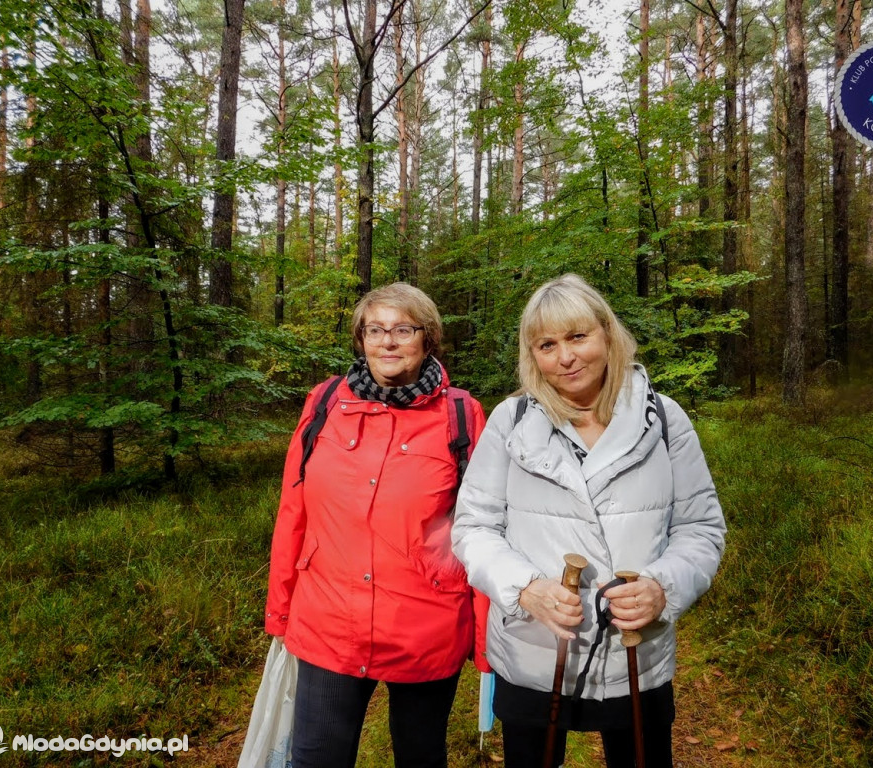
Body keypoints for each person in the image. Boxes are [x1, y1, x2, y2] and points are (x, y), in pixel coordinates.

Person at [452, 273, 726, 768]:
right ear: (531, 354)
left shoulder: (663, 419)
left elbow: (700, 528)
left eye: (578, 336)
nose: (566, 357)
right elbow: (473, 528)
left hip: (635, 654)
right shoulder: (511, 421)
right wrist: (525, 589)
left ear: (607, 333)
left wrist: (663, 588)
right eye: (547, 344)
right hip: (534, 649)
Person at [265, 283, 485, 768]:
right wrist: (280, 610)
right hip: (329, 620)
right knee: (315, 758)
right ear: (360, 339)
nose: (387, 341)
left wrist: (486, 640)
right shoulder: (323, 402)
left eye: (403, 329)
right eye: (375, 330)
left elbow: (484, 529)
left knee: (421, 756)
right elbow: (293, 510)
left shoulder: (461, 415)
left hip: (425, 625)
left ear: (428, 339)